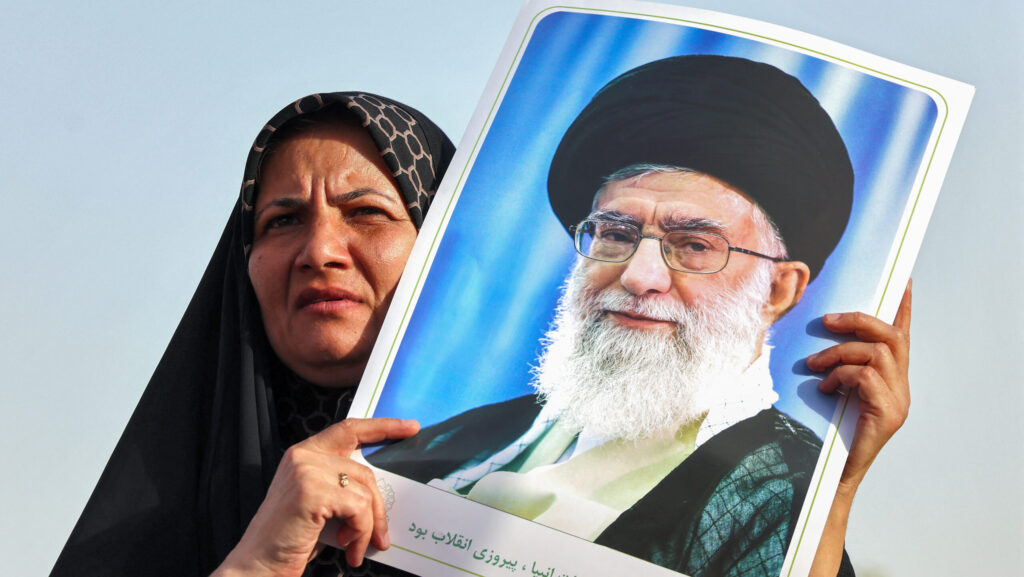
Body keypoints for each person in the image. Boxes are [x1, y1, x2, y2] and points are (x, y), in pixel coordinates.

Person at [368, 56, 911, 577]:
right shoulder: (455, 444)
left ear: (777, 288)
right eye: (617, 234)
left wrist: (831, 498)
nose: (638, 275)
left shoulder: (787, 490)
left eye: (695, 244)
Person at [50, 92, 454, 577]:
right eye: (283, 221)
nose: (319, 251)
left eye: (365, 212)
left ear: (443, 241)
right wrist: (257, 563)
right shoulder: (155, 517)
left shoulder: (540, 485)